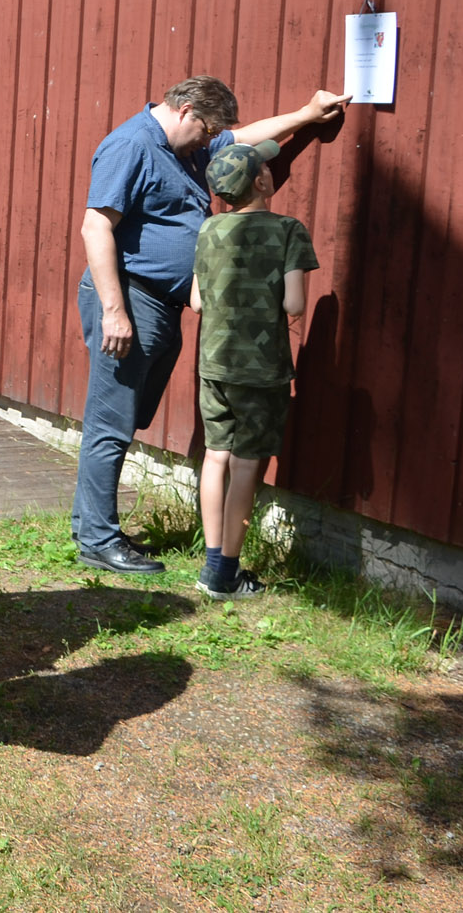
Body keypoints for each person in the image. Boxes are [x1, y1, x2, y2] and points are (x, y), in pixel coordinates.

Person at [73, 76, 346, 575]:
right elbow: (96, 226)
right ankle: (96, 538)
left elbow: (245, 141)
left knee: (127, 415)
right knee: (110, 420)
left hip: (161, 305)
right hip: (130, 298)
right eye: (207, 131)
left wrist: (307, 115)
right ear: (186, 110)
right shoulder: (131, 145)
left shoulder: (189, 146)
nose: (210, 143)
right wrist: (115, 310)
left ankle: (94, 524)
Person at [188, 141, 317, 600]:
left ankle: (209, 564)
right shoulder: (288, 230)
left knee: (216, 456)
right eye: (265, 166)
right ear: (262, 181)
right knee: (246, 463)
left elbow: (197, 300)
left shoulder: (208, 229)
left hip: (213, 364)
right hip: (261, 370)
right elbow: (295, 304)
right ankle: (225, 574)